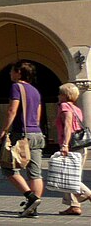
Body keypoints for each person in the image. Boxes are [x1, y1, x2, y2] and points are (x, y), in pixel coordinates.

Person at [0, 60, 45, 218]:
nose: (10, 74)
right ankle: (33, 208)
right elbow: (38, 115)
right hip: (37, 133)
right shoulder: (35, 91)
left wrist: (4, 130)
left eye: (12, 71)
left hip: (21, 134)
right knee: (35, 173)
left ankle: (30, 197)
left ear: (19, 72)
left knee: (8, 167)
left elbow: (12, 110)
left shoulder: (16, 87)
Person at [56, 82, 91, 216]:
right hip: (80, 147)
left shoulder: (64, 106)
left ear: (65, 95)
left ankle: (87, 194)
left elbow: (68, 125)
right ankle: (74, 205)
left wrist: (65, 144)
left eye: (60, 93)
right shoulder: (77, 108)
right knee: (70, 176)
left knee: (68, 177)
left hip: (71, 146)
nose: (58, 96)